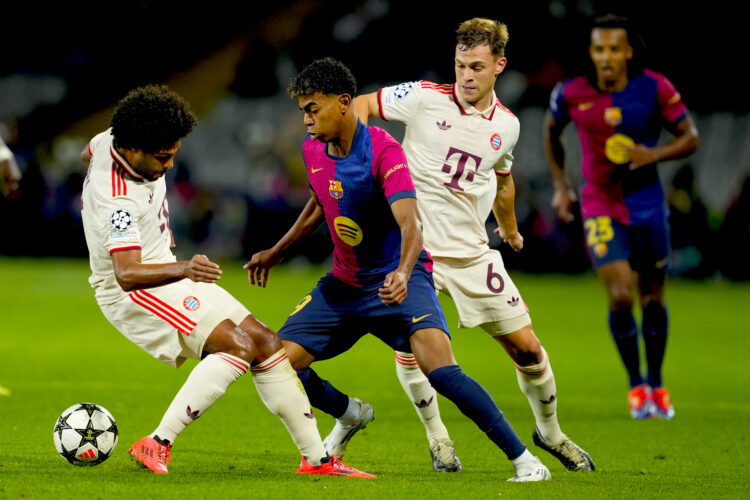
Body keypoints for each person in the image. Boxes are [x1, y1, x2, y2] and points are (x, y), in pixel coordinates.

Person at [304, 18, 592, 473]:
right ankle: (438, 439)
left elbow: (503, 179)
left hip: (472, 251)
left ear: (499, 65)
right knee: (414, 351)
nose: (467, 76)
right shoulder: (420, 97)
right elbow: (359, 104)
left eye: (477, 66)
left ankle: (551, 433)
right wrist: (356, 165)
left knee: (528, 349)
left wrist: (510, 229)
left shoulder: (508, 126)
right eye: (460, 65)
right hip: (414, 252)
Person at [245, 57, 551, 482]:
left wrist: (405, 273)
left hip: (399, 280)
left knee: (442, 373)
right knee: (276, 364)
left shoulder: (383, 151)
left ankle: (525, 461)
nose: (306, 120)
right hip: (343, 287)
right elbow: (319, 201)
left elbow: (411, 224)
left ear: (344, 103)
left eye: (313, 109)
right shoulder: (313, 147)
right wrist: (277, 250)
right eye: (303, 110)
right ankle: (350, 413)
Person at [80, 84, 373, 477]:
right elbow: (127, 273)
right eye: (162, 157)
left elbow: (89, 151)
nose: (169, 165)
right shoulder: (117, 199)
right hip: (133, 291)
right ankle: (157, 442)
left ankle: (316, 460)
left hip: (165, 270)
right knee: (236, 347)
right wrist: (184, 267)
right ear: (132, 150)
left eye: (173, 153)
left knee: (268, 343)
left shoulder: (107, 141)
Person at [542, 14, 699, 419]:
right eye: (599, 49)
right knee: (620, 295)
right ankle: (635, 386)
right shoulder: (572, 93)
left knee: (653, 297)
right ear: (591, 53)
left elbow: (690, 137)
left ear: (629, 51)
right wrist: (561, 186)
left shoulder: (654, 87)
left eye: (614, 49)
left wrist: (655, 154)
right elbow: (550, 129)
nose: (606, 57)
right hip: (600, 205)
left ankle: (657, 382)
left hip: (648, 204)